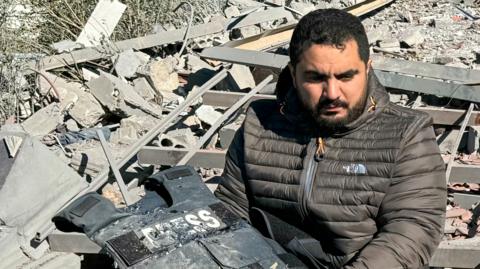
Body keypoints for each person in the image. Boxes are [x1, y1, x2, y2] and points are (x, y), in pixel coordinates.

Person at [214, 8, 446, 269]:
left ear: (367, 69)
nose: (332, 93)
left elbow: (411, 232)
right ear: (293, 74)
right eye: (316, 78)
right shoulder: (260, 123)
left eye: (346, 76)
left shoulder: (406, 133)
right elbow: (231, 211)